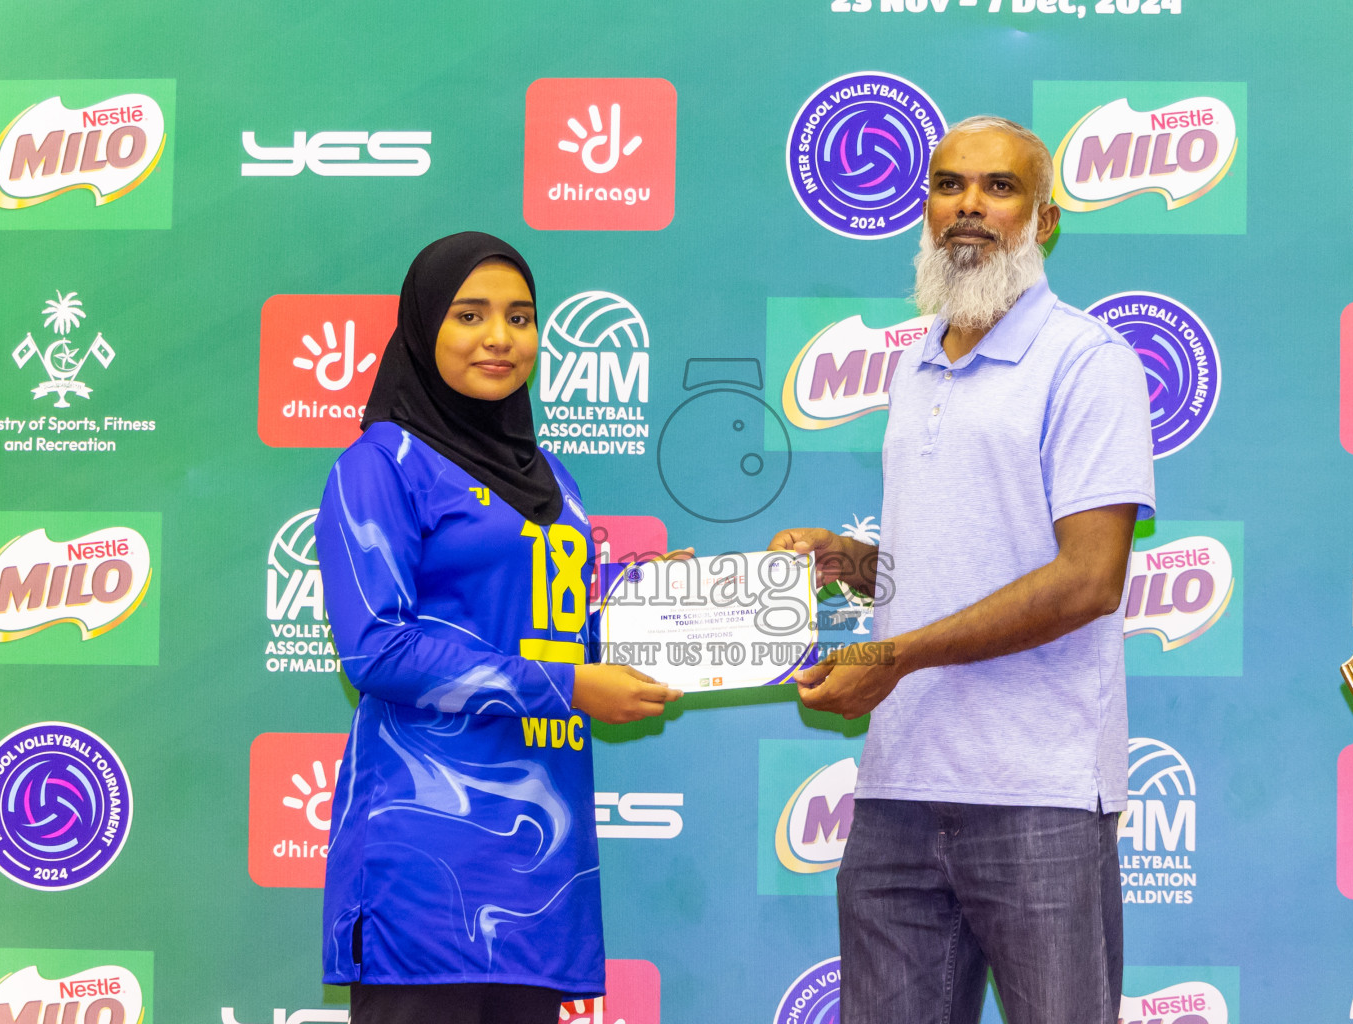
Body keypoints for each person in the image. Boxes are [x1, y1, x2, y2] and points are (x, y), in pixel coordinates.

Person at [770, 117, 1155, 1024]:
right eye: (949, 185)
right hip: (899, 788)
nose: (969, 206)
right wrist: (850, 563)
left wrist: (896, 656)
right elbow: (950, 561)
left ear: (1045, 220)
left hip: (1039, 792)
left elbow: (1088, 579)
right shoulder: (915, 362)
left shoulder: (1087, 360)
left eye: (999, 187)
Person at [314, 232, 679, 1024]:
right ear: (422, 329)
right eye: (470, 315)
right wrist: (574, 686)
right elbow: (378, 648)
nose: (500, 337)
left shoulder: (552, 478)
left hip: (541, 869)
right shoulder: (381, 466)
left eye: (520, 317)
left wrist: (673, 603)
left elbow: (553, 617)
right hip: (428, 862)